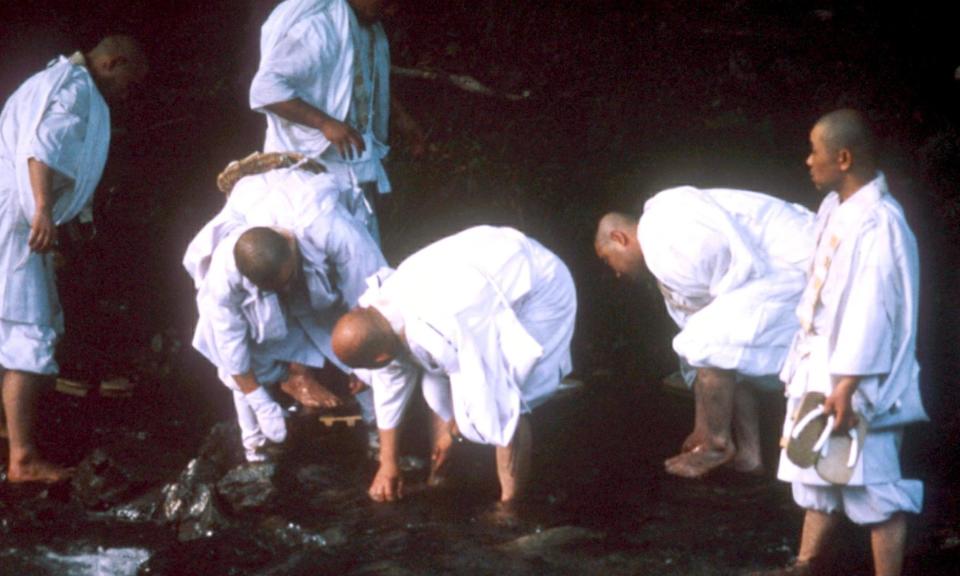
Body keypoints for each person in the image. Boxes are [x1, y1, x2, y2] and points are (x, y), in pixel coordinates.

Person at [756, 110, 927, 576]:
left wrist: (848, 383)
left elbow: (873, 309)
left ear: (844, 158)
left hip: (855, 372)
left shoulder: (879, 222)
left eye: (816, 150)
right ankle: (806, 563)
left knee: (871, 478)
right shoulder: (837, 208)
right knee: (817, 468)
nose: (808, 160)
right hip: (823, 361)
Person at [331, 225, 577, 503]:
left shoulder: (439, 328)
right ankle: (444, 467)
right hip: (488, 270)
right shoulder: (379, 312)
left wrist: (454, 432)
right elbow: (391, 386)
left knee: (506, 401)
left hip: (540, 286)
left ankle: (511, 504)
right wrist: (387, 464)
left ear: (380, 357)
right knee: (435, 380)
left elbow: (488, 390)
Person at [0, 36, 147, 484]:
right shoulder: (76, 88)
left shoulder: (49, 80)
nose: (128, 94)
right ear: (111, 62)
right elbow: (43, 148)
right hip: (18, 218)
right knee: (30, 329)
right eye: (128, 82)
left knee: (9, 326)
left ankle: (9, 434)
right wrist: (44, 210)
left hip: (13, 213)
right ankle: (23, 460)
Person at [595, 188, 815, 479]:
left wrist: (706, 427)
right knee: (721, 348)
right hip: (772, 271)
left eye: (608, 260)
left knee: (713, 340)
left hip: (800, 263)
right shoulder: (663, 255)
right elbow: (707, 349)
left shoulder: (664, 232)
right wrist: (701, 422)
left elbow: (735, 273)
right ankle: (749, 456)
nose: (617, 274)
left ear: (619, 239)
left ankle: (716, 444)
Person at [183, 162, 386, 462]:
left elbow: (368, 295)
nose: (285, 290)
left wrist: (362, 365)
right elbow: (227, 339)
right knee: (233, 351)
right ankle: (255, 447)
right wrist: (259, 401)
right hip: (256, 220)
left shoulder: (334, 231)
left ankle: (378, 431)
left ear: (290, 247)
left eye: (286, 281)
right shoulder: (226, 268)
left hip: (320, 257)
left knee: (362, 341)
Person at [249, 0, 425, 244]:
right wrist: (324, 123)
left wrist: (400, 117)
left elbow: (365, 77)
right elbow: (266, 89)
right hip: (308, 173)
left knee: (359, 254)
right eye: (386, 3)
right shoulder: (317, 29)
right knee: (314, 253)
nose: (392, 10)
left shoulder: (368, 26)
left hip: (352, 168)